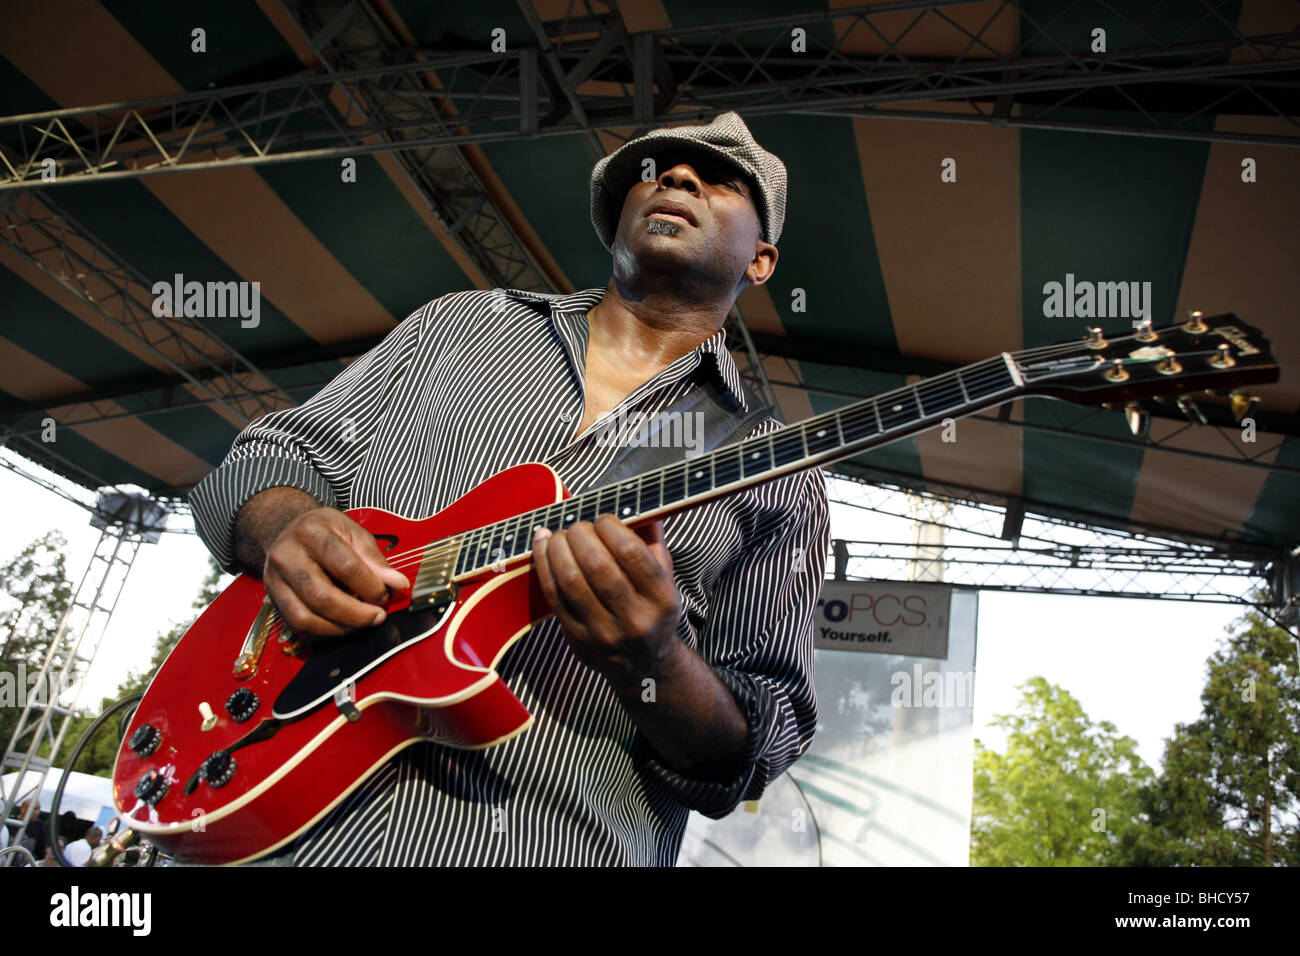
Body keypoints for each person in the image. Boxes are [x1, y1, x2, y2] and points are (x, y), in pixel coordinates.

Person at [189, 111, 829, 866]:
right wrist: (289, 524)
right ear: (615, 222)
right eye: (657, 172)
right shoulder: (460, 327)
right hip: (278, 818)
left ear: (760, 261)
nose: (679, 179)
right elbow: (269, 457)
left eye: (723, 181)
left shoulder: (777, 470)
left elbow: (756, 744)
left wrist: (654, 662)